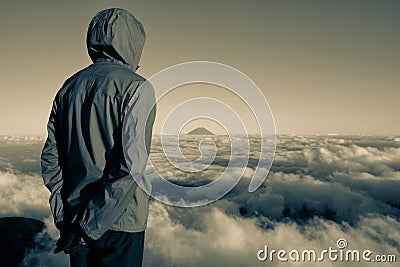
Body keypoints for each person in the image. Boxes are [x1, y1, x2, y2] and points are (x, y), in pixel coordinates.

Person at [41, 8, 156, 267]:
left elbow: (51, 158)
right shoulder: (138, 88)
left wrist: (65, 217)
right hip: (121, 225)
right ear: (132, 43)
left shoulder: (68, 87)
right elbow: (130, 166)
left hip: (73, 220)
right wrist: (88, 226)